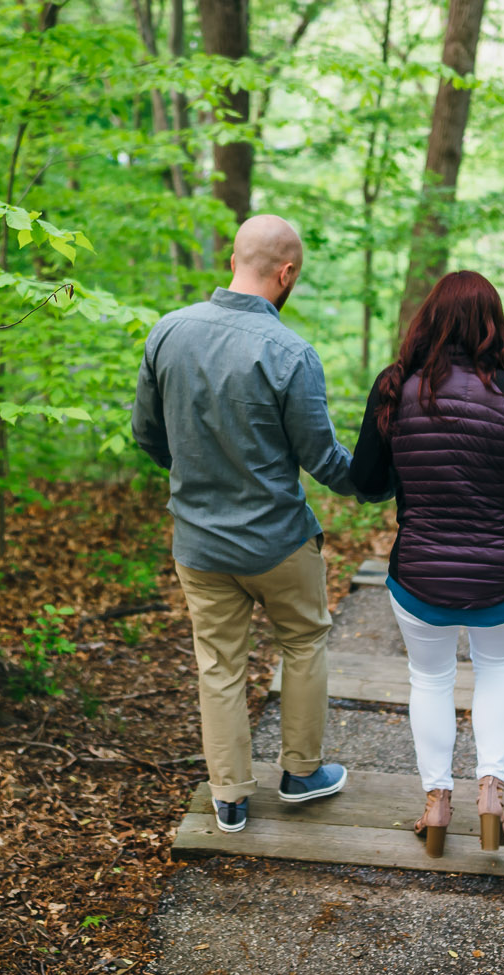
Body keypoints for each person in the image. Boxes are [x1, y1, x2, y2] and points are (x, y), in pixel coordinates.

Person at [131, 215, 372, 835]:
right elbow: (324, 460)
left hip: (199, 543)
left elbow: (148, 437)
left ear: (233, 258)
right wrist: (379, 482)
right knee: (303, 643)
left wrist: (195, 474)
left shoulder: (168, 332)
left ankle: (230, 798)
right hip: (278, 543)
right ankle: (300, 774)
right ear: (286, 272)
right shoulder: (291, 353)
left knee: (218, 664)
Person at [348, 271, 504, 856]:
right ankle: (490, 794)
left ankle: (437, 803)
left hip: (419, 574)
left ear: (428, 319)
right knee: (499, 671)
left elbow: (366, 481)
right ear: (494, 323)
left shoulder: (394, 385)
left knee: (429, 680)